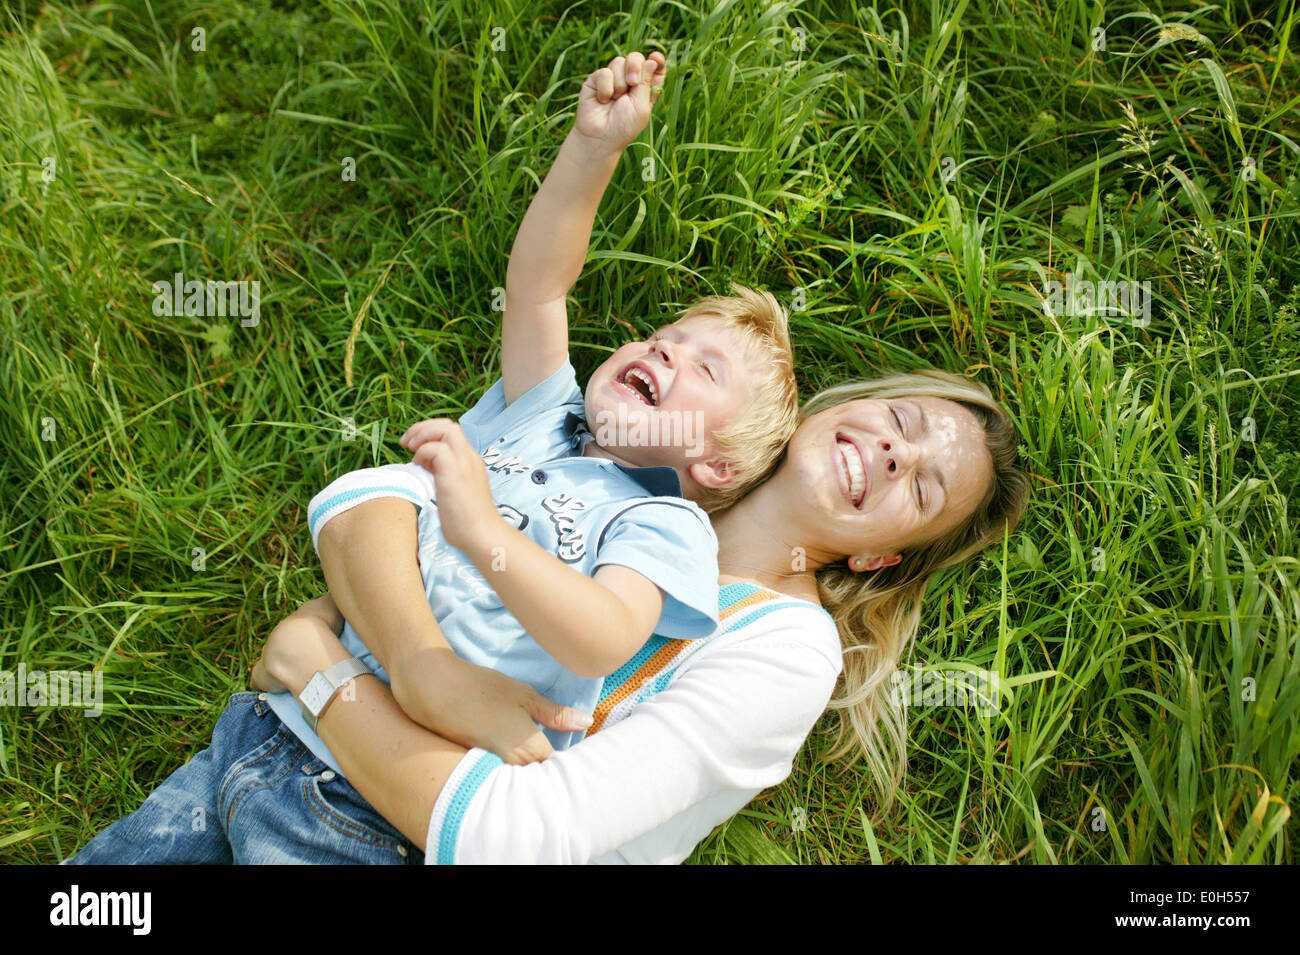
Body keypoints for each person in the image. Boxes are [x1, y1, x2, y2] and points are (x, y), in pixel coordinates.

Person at [65, 50, 800, 865]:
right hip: (275, 726)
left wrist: (483, 525)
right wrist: (595, 149)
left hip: (374, 806)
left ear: (718, 467)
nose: (662, 354)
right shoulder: (541, 417)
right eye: (663, 339)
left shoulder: (662, 522)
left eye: (702, 369)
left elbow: (600, 637)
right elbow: (539, 289)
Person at [246, 368, 1029, 863]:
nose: (898, 453)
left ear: (876, 559)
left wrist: (321, 669)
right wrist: (409, 659)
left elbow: (516, 839)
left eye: (920, 489)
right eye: (902, 420)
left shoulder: (788, 653)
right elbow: (396, 511)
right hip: (278, 749)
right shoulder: (637, 479)